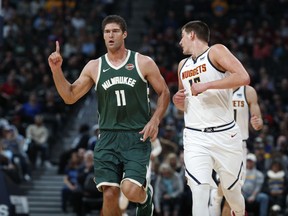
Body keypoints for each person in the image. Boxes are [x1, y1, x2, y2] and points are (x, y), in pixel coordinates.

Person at [48, 14, 170, 216]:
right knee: (110, 194)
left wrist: (155, 119)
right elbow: (69, 96)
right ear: (103, 36)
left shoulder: (143, 62)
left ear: (124, 34)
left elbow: (164, 92)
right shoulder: (94, 66)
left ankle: (145, 196)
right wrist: (56, 71)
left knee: (130, 191)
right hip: (107, 137)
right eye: (106, 32)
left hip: (136, 135)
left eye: (115, 31)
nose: (110, 35)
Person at [172, 20, 250, 216]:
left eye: (182, 36)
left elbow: (243, 77)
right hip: (195, 136)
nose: (180, 42)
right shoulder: (182, 65)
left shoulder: (215, 51)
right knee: (199, 191)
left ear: (191, 35)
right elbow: (184, 102)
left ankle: (239, 212)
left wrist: (207, 86)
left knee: (232, 193)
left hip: (225, 135)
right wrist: (177, 101)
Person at [209, 85, 264, 216]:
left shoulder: (248, 91)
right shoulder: (216, 87)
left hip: (240, 144)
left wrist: (258, 123)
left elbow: (259, 121)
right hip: (220, 142)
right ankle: (216, 196)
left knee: (234, 190)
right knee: (227, 186)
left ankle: (216, 196)